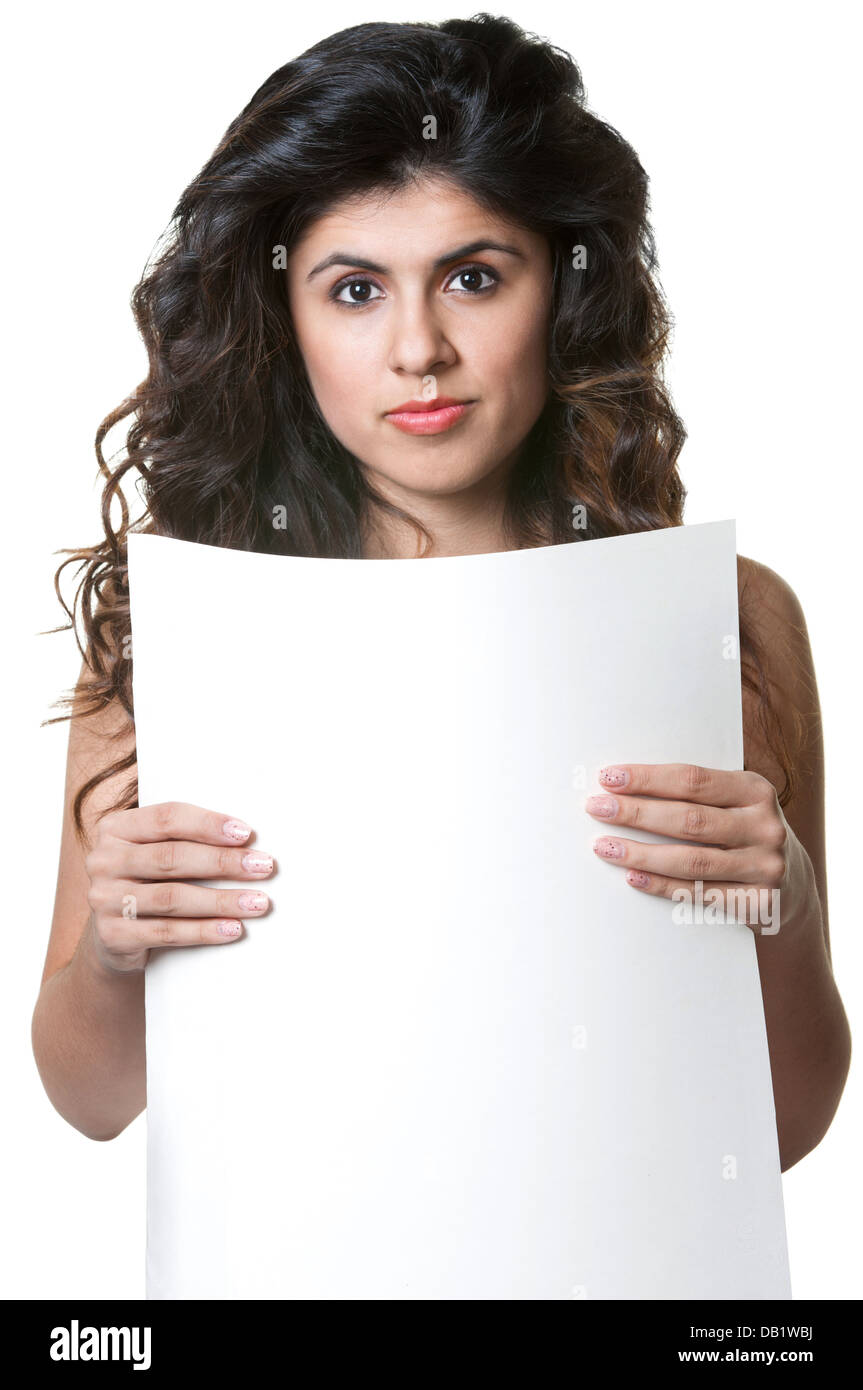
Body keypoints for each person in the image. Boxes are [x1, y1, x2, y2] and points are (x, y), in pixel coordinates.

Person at [32, 14, 850, 1172]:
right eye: (354, 289)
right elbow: (93, 1098)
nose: (418, 347)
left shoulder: (718, 619)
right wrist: (114, 957)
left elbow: (784, 1128)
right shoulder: (190, 625)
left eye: (472, 277)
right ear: (285, 320)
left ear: (561, 294)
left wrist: (788, 909)